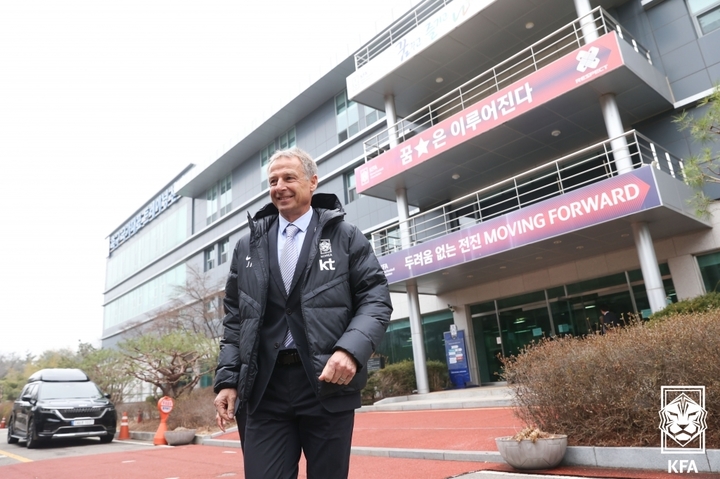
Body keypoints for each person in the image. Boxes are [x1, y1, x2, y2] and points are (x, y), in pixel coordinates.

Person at [213, 147, 392, 479]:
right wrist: (227, 380)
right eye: (273, 180)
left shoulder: (345, 236)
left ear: (312, 182)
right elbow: (236, 319)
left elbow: (375, 298)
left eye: (289, 177)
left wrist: (349, 351)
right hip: (264, 388)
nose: (279, 185)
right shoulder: (247, 246)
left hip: (326, 383)